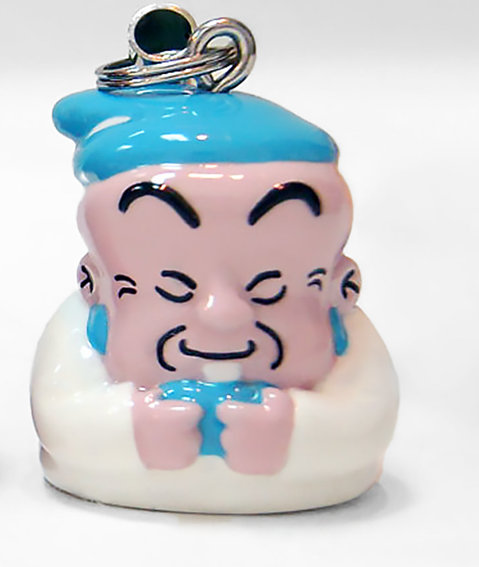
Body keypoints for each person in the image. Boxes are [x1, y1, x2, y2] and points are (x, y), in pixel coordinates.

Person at [32, 82, 398, 513]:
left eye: (270, 290)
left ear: (342, 286)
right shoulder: (79, 331)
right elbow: (59, 417)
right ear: (95, 283)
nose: (223, 313)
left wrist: (297, 429)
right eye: (173, 289)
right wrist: (133, 425)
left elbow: (371, 416)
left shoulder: (349, 337)